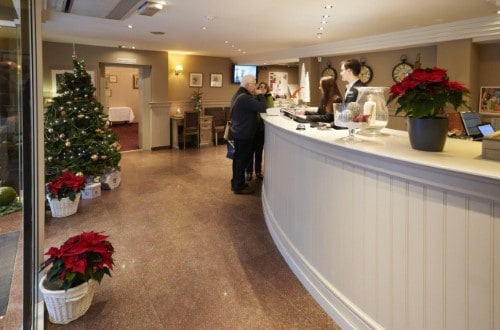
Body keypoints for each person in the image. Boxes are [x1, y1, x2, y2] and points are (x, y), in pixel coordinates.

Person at [230, 75, 268, 194]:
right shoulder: (245, 98)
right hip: (244, 133)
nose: (256, 87)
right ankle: (239, 185)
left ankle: (235, 181)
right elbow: (263, 107)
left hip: (238, 132)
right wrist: (260, 94)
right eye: (254, 84)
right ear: (247, 85)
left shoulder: (237, 94)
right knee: (242, 160)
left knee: (237, 159)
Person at [320, 59, 366, 128]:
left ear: (349, 71)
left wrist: (332, 125)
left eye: (342, 70)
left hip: (355, 129)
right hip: (347, 126)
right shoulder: (348, 88)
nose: (340, 73)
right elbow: (346, 111)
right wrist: (332, 124)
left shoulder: (361, 88)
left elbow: (354, 113)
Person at [246, 82, 274, 181]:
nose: (262, 89)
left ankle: (258, 171)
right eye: (260, 87)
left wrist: (265, 97)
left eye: (264, 88)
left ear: (267, 89)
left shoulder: (268, 97)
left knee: (259, 151)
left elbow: (269, 109)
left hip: (262, 128)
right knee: (250, 151)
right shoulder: (253, 97)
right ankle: (248, 172)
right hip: (252, 127)